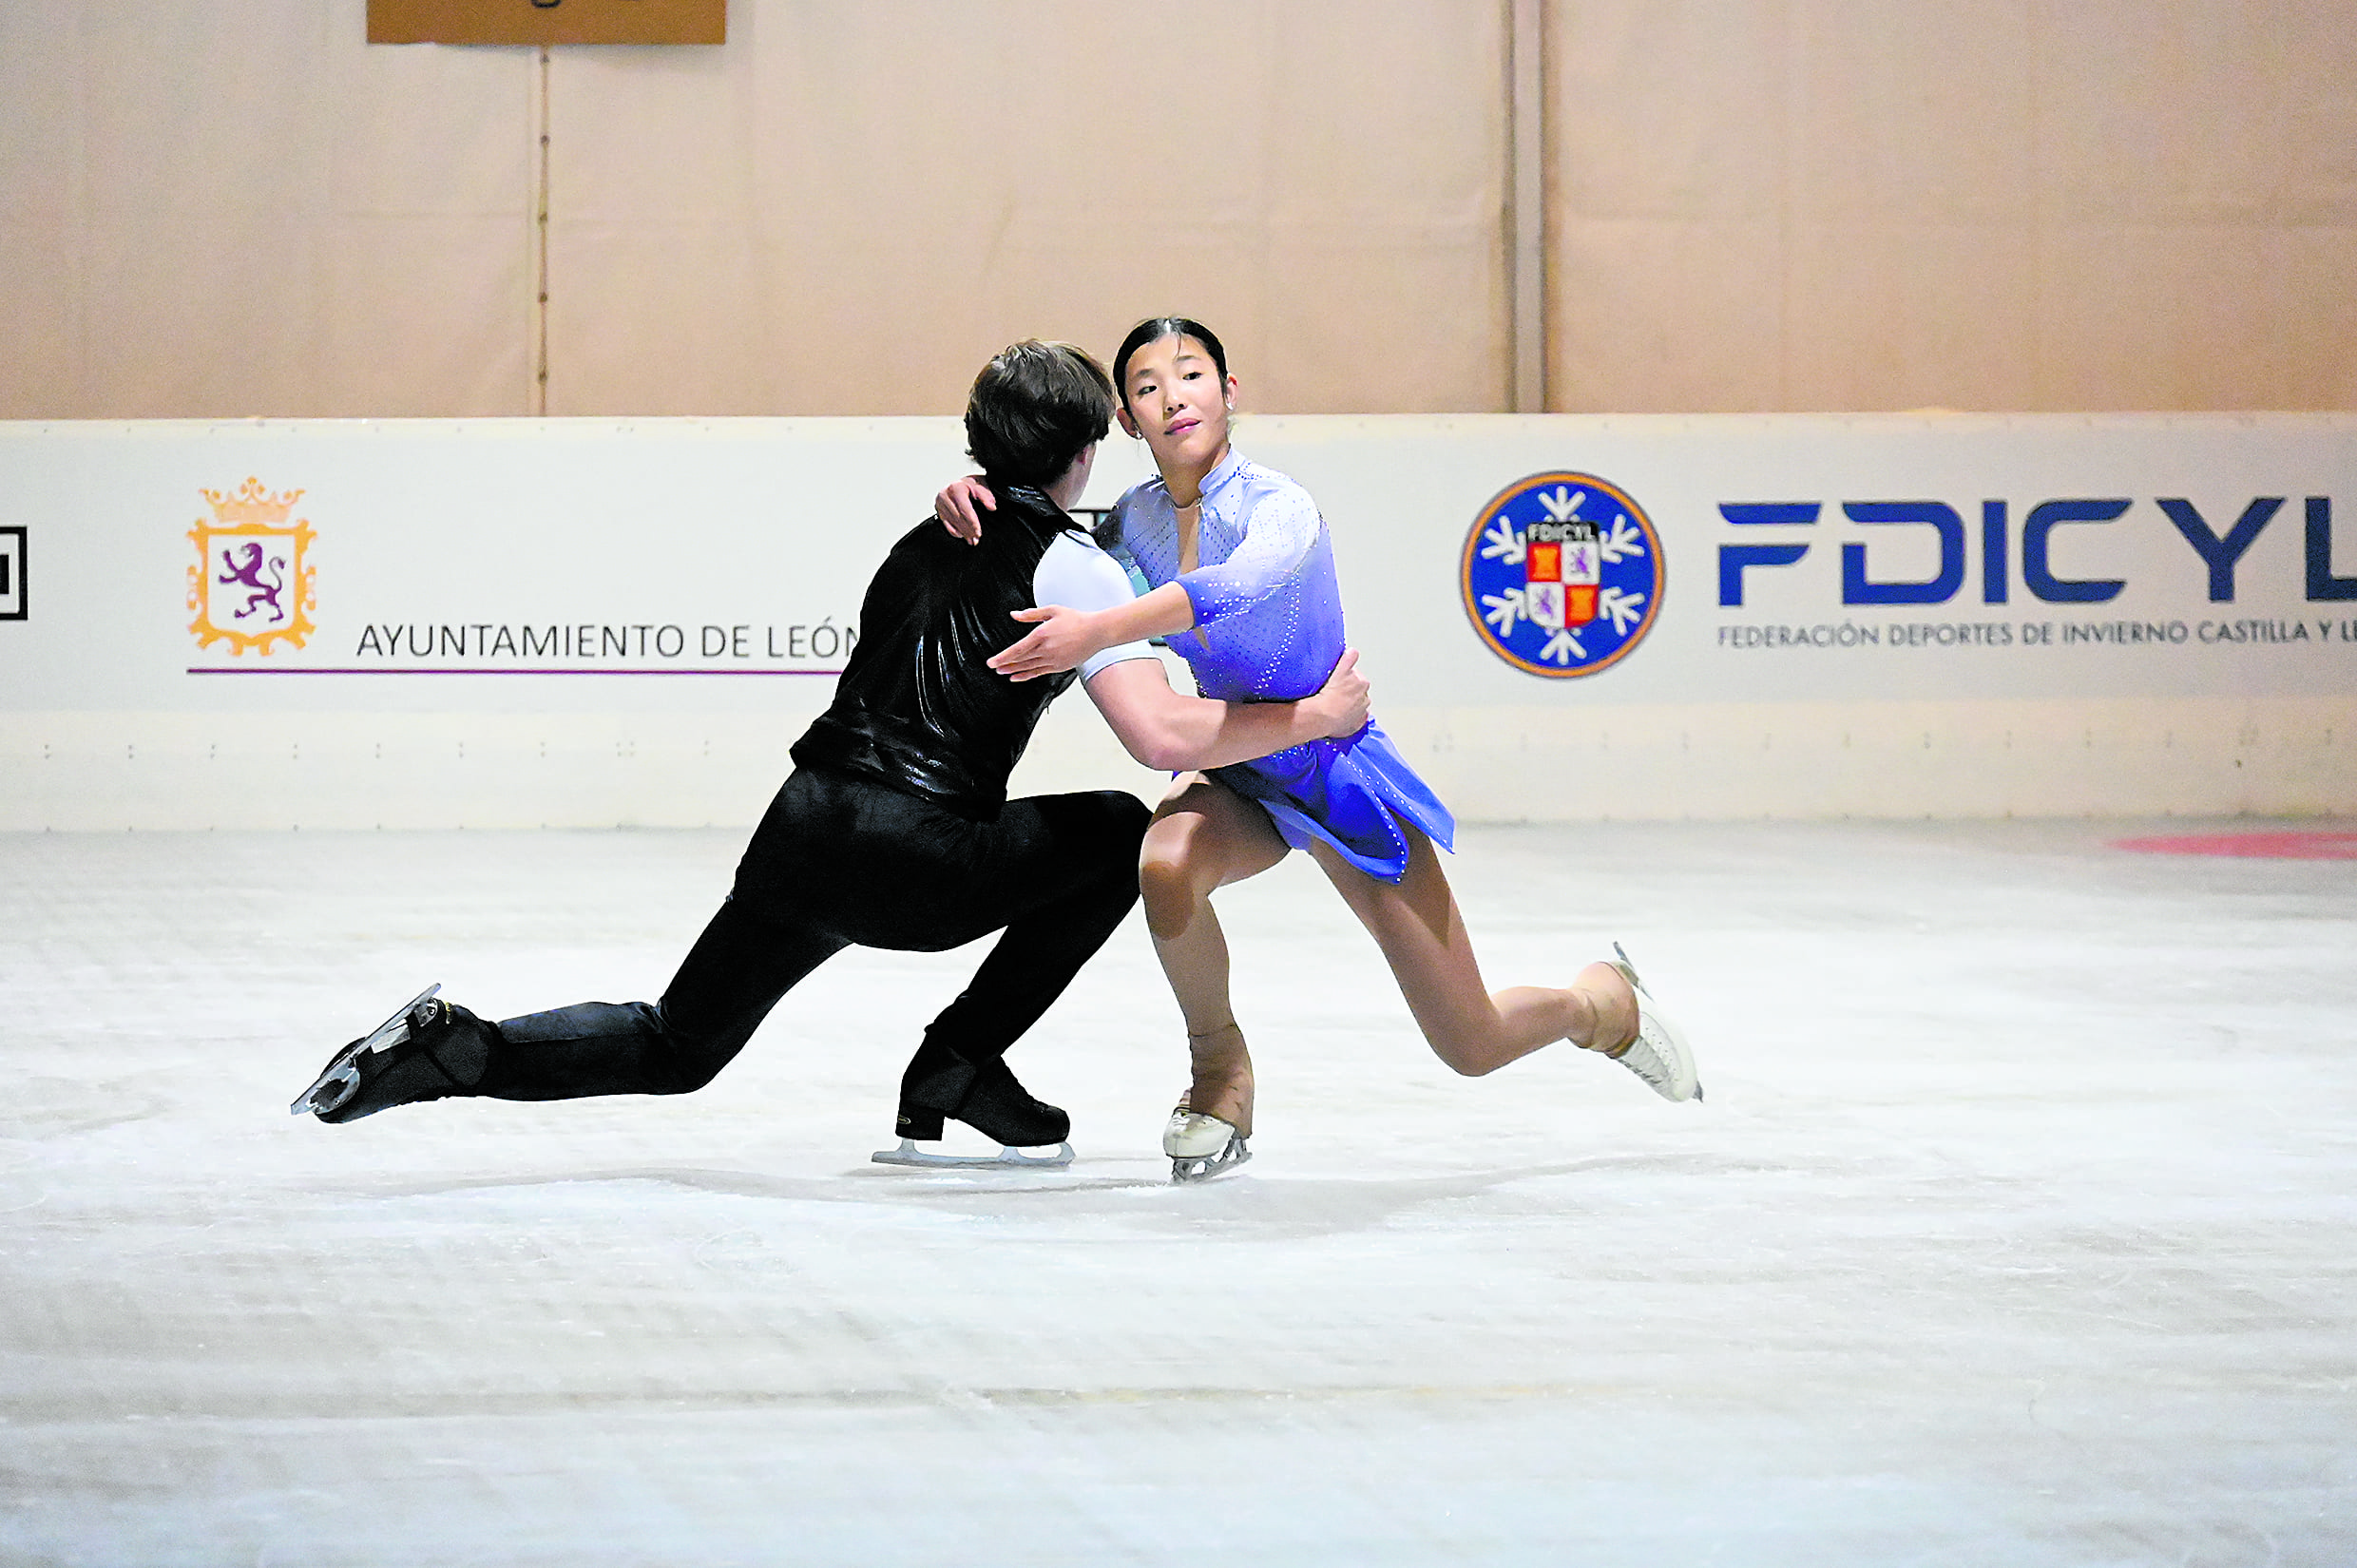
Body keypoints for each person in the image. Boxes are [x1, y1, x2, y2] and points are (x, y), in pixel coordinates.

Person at [291, 340, 1372, 1167]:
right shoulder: (1071, 567)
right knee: (1112, 836)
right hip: (920, 860)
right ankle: (954, 1063)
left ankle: (457, 1051)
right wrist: (1312, 720)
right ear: (1087, 450)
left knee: (678, 1044)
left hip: (802, 828)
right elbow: (1159, 739)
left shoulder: (924, 538)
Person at [935, 317, 1700, 1181]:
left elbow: (1235, 586)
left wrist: (1102, 627)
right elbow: (1049, 543)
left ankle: (1599, 1003)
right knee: (1164, 862)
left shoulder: (1278, 506)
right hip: (1239, 766)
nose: (1173, 397)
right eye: (1148, 387)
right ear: (1126, 421)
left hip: (1336, 762)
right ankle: (1218, 1073)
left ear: (1230, 392)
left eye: (1191, 375)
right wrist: (974, 495)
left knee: (1470, 1042)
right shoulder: (1132, 524)